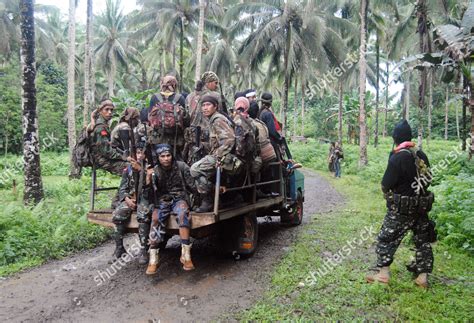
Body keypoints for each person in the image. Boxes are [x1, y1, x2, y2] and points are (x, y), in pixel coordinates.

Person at [366, 120, 435, 288]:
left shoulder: (398, 157)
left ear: (395, 137)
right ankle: (422, 277)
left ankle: (383, 275)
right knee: (423, 241)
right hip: (421, 206)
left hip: (402, 209)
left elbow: (386, 184)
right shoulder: (421, 154)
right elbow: (428, 179)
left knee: (386, 238)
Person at [146, 144, 197, 274]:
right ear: (158, 158)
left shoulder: (181, 166)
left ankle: (186, 255)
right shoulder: (155, 171)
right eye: (162, 156)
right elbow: (148, 192)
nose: (166, 158)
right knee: (156, 218)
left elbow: (192, 186)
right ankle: (153, 259)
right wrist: (148, 178)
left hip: (179, 198)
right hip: (162, 200)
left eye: (168, 155)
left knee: (182, 214)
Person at [190, 94, 239, 212]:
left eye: (208, 105)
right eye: (203, 105)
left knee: (194, 169)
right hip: (220, 155)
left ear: (215, 106)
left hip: (224, 157)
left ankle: (209, 199)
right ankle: (214, 195)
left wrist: (217, 155)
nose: (205, 108)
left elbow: (229, 139)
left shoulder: (218, 120)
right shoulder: (213, 120)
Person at [111, 145, 152, 264]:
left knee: (143, 216)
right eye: (137, 153)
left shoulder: (150, 168)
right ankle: (119, 248)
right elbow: (122, 188)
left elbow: (152, 187)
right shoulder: (128, 169)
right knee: (117, 215)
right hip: (131, 199)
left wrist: (141, 170)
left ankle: (144, 249)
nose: (139, 155)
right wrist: (127, 199)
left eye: (142, 153)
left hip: (145, 199)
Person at [137, 75, 189, 160]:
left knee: (159, 159)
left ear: (162, 84)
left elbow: (149, 116)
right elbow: (186, 119)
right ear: (175, 85)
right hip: (176, 138)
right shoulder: (180, 98)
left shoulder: (155, 97)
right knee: (175, 159)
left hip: (157, 137)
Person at [89, 99, 133, 176]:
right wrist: (124, 157)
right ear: (100, 111)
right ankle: (125, 188)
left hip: (105, 156)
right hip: (101, 159)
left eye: (111, 110)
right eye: (106, 109)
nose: (109, 112)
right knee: (132, 168)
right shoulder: (100, 127)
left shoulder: (104, 124)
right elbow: (106, 151)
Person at [258, 92, 284, 160]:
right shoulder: (267, 114)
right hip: (270, 142)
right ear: (270, 102)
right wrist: (279, 139)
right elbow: (272, 131)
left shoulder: (260, 112)